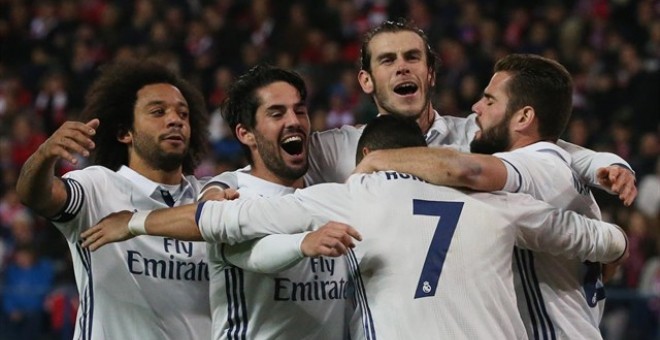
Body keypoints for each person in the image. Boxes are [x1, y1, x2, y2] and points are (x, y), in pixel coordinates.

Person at [80, 115, 628, 339]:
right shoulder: (499, 205)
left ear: (365, 155)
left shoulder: (349, 197)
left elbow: (221, 218)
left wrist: (136, 221)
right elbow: (607, 242)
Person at [354, 53, 618, 339]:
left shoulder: (538, 164)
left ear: (524, 117)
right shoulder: (567, 178)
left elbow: (467, 170)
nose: (476, 107)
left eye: (490, 100)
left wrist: (381, 159)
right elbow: (612, 255)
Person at [302, 19, 636, 202]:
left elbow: (555, 151)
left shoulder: (473, 134)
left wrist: (608, 165)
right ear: (366, 81)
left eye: (412, 58)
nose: (402, 68)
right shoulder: (334, 148)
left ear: (430, 73)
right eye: (387, 60)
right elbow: (272, 172)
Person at [15, 60, 212, 339]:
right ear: (124, 133)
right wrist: (44, 155)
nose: (175, 119)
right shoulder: (97, 187)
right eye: (158, 111)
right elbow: (35, 195)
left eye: (183, 113)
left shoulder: (209, 197)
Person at [194, 64, 355, 339]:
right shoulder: (232, 197)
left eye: (300, 110)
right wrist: (303, 243)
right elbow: (255, 255)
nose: (293, 120)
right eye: (276, 113)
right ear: (246, 133)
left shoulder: (328, 191)